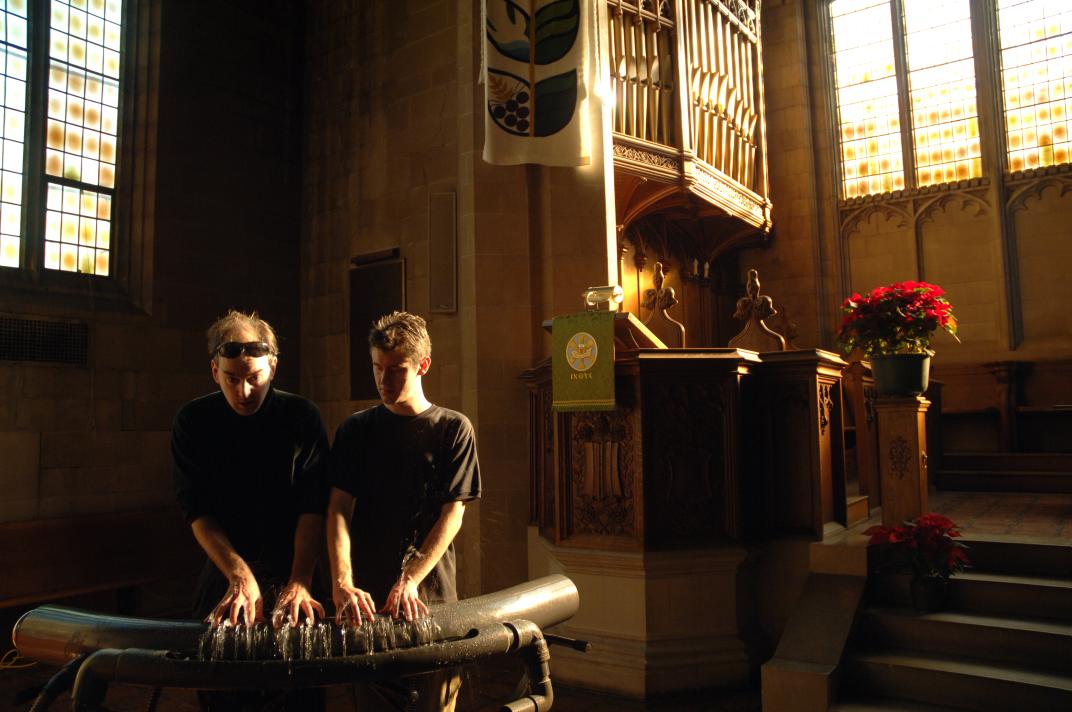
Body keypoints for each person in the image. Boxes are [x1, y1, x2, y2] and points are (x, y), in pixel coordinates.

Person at [172, 310, 329, 709]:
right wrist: (239, 576)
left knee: (300, 692)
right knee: (223, 689)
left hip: (294, 564)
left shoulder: (302, 417)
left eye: (254, 378)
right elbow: (197, 511)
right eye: (231, 379)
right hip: (225, 567)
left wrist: (301, 579)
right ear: (214, 371)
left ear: (272, 367)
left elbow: (313, 507)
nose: (243, 391)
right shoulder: (194, 421)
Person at [328, 311, 481, 712]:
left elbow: (453, 515)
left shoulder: (453, 428)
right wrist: (342, 582)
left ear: (422, 365)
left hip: (430, 600)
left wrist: (410, 579)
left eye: (396, 370)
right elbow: (338, 509)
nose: (384, 380)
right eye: (377, 368)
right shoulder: (355, 431)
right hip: (367, 604)